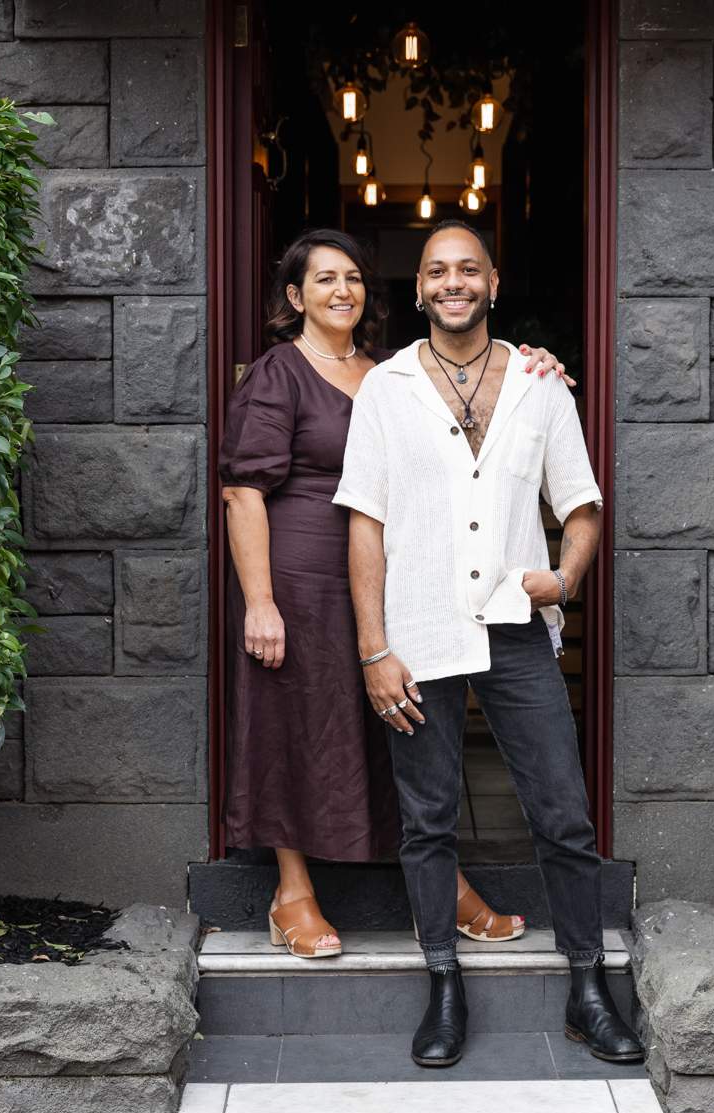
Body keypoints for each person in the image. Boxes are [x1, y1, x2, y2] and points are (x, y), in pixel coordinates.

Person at [333, 221, 645, 1068]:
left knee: (565, 816)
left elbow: (581, 507)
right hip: (420, 631)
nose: (453, 282)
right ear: (421, 287)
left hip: (513, 625)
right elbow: (366, 525)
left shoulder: (542, 385)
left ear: (493, 282)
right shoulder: (387, 390)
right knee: (429, 820)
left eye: (468, 268)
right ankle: (443, 984)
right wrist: (373, 648)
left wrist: (567, 577)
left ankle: (589, 988)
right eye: (438, 270)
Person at [218, 227, 573, 959]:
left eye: (353, 277)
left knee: (398, 728)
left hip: (386, 579)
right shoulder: (279, 372)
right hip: (298, 580)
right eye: (324, 280)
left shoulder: (388, 373)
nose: (342, 290)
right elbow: (241, 491)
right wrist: (260, 600)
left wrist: (537, 365)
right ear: (295, 296)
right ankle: (292, 892)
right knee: (293, 724)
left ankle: (436, 886)